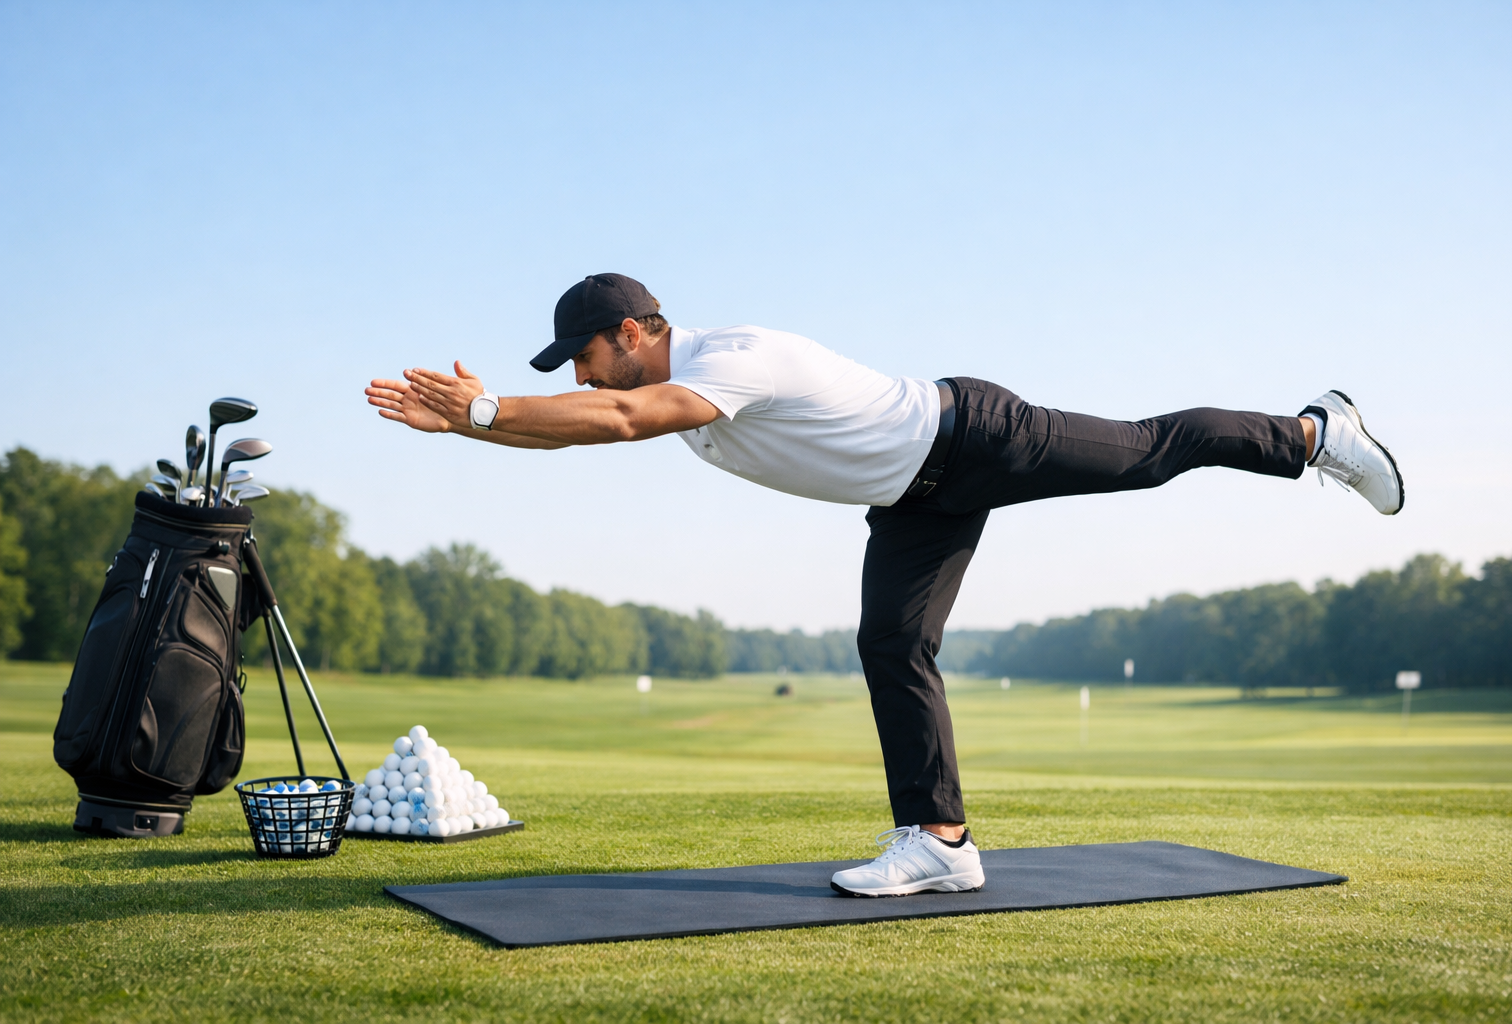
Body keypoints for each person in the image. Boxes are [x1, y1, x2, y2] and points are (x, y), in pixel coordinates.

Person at [365, 272, 1404, 897]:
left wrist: (489, 411)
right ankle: (939, 842)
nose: (578, 377)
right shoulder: (672, 387)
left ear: (633, 331)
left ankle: (1313, 434)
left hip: (976, 435)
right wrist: (475, 423)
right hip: (920, 499)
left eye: (583, 356)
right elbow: (595, 429)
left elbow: (625, 419)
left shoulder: (732, 354)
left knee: (1144, 451)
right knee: (892, 644)